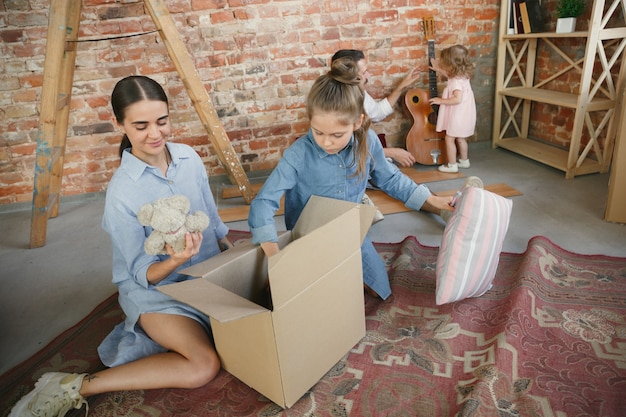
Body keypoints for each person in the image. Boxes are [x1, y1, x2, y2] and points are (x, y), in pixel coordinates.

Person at [9, 75, 233, 417]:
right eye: (141, 125)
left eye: (162, 121)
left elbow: (214, 223)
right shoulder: (121, 195)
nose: (155, 134)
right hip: (159, 293)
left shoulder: (188, 157)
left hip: (206, 278)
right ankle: (75, 385)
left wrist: (235, 260)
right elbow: (142, 274)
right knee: (204, 365)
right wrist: (175, 261)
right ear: (119, 124)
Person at [247, 58, 453, 301]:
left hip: (351, 233)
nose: (325, 142)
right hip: (308, 238)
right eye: (318, 131)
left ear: (358, 122)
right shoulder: (298, 153)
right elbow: (262, 203)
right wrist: (274, 255)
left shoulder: (369, 142)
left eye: (336, 134)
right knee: (314, 299)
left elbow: (391, 180)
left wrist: (432, 200)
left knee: (380, 291)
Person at [331, 49, 418, 167]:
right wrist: (391, 153)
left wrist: (402, 86)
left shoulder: (358, 92)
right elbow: (346, 150)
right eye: (364, 72)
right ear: (350, 75)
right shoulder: (335, 103)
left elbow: (377, 113)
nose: (369, 75)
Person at [428, 44, 476, 173]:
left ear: (451, 64)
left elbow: (457, 99)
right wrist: (437, 68)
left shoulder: (455, 82)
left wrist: (440, 100)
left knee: (449, 139)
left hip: (457, 115)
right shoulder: (463, 75)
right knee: (461, 138)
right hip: (464, 115)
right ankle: (464, 161)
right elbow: (449, 75)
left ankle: (452, 165)